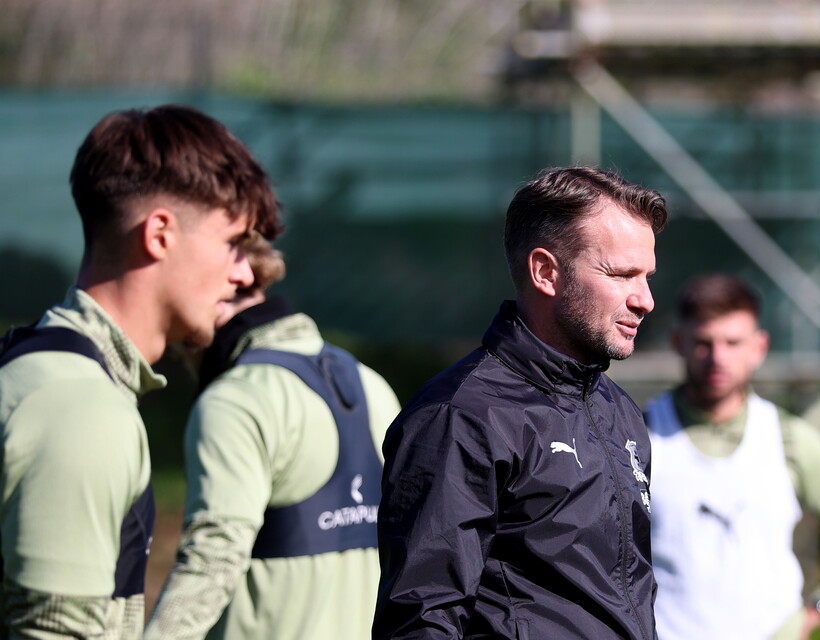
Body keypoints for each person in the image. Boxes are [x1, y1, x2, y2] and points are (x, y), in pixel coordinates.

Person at [0, 104, 282, 639]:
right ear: (159, 234)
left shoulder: (41, 370)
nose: (244, 274)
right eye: (232, 244)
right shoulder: (79, 410)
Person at [374, 166, 668, 640]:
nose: (645, 300)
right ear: (546, 272)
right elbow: (421, 619)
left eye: (647, 276)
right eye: (621, 274)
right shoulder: (462, 416)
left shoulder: (618, 409)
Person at [145, 238, 401, 640]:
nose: (176, 353)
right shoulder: (373, 384)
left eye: (175, 336)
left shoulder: (234, 399)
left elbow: (212, 559)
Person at [644, 273, 820, 640]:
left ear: (759, 347)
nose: (718, 357)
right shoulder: (638, 434)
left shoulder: (789, 438)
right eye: (704, 343)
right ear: (678, 343)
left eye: (733, 342)